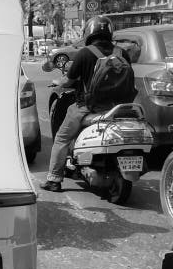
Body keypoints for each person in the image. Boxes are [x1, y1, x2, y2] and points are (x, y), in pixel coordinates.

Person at [41, 16, 137, 192]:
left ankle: (54, 179)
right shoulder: (122, 53)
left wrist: (58, 82)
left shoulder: (84, 53)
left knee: (62, 138)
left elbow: (69, 81)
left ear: (89, 32)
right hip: (119, 108)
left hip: (88, 108)